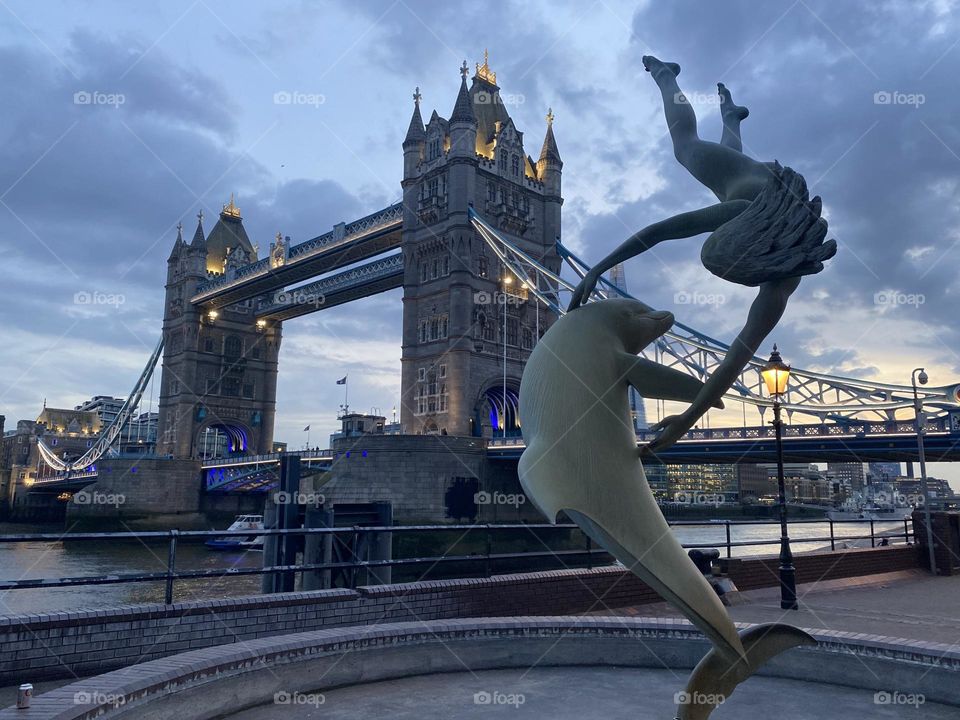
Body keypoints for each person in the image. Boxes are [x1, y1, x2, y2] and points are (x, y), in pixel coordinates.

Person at [569, 56, 836, 453]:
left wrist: (689, 417)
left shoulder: (785, 272)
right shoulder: (742, 209)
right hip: (759, 188)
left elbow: (739, 353)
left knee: (722, 167)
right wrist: (596, 270)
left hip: (775, 195)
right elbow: (658, 232)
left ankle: (731, 117)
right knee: (687, 145)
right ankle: (666, 75)